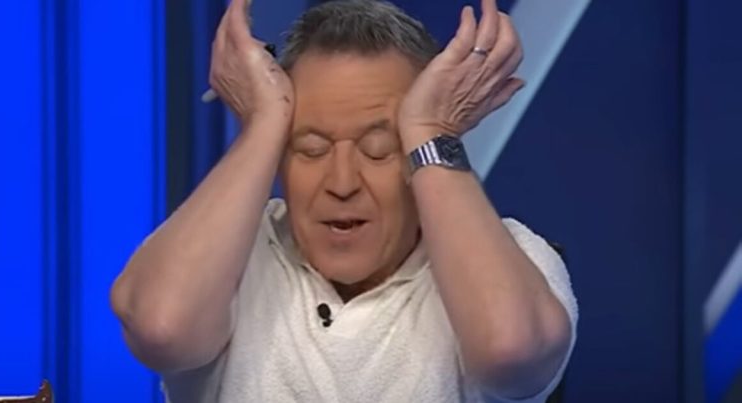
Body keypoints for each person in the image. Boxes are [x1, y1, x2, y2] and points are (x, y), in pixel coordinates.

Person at [110, 0, 578, 401]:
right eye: (310, 148)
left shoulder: (512, 257)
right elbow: (161, 327)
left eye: (378, 149)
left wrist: (432, 131)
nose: (341, 182)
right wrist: (262, 124)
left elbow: (510, 351)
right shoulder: (224, 262)